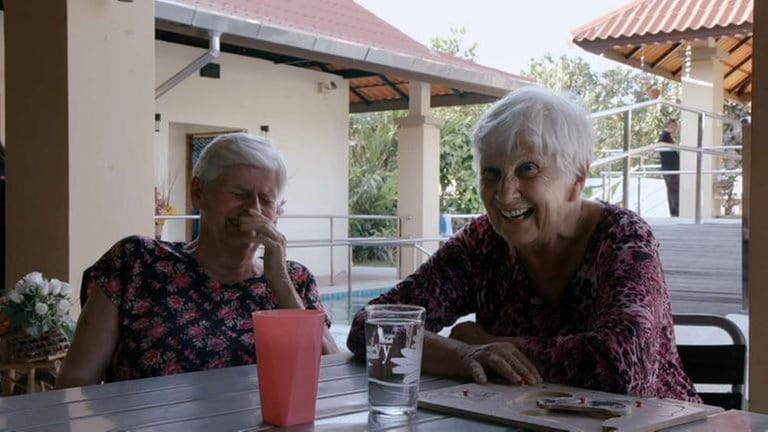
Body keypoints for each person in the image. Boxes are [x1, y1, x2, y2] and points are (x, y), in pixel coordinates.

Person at [347, 87, 700, 402]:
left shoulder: (623, 238)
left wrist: (485, 340)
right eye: (492, 172)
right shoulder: (482, 243)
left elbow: (622, 366)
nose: (504, 192)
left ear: (576, 179)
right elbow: (370, 327)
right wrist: (461, 354)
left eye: (527, 169)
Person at [57, 133, 339, 387]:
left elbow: (330, 376)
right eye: (239, 194)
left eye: (266, 199)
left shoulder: (294, 281)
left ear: (278, 210)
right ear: (198, 193)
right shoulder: (136, 263)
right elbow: (77, 380)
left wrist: (279, 281)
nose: (252, 209)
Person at [658, 119, 680, 217]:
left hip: (671, 168)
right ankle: (675, 211)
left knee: (673, 190)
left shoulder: (668, 137)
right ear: (670, 125)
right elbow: (659, 148)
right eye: (675, 126)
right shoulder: (664, 136)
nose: (676, 128)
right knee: (673, 190)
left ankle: (674, 211)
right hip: (670, 168)